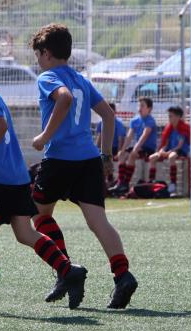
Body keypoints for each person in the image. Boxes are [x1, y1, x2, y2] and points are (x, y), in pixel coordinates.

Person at [0, 52, 87, 315]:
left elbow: (0, 127)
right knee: (24, 233)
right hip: (14, 177)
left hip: (0, 181)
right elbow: (1, 144)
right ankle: (68, 270)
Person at [30, 23, 138, 309]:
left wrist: (44, 136)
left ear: (47, 53)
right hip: (88, 159)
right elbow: (108, 115)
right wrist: (105, 156)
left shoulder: (48, 77)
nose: (38, 61)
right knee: (98, 222)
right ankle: (122, 275)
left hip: (60, 159)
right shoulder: (80, 79)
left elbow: (63, 99)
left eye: (38, 55)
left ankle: (65, 270)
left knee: (38, 215)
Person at [111, 97, 157, 193]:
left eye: (142, 106)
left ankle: (126, 183)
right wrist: (122, 150)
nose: (139, 108)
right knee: (122, 155)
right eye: (139, 105)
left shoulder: (150, 120)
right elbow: (129, 137)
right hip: (138, 147)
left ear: (149, 109)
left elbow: (144, 136)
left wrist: (135, 149)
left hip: (148, 148)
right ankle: (120, 182)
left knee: (132, 154)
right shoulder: (135, 120)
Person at [148, 105, 190, 194]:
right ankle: (151, 182)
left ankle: (173, 184)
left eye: (171, 116)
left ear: (178, 117)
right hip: (169, 151)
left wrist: (169, 152)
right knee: (152, 157)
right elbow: (165, 144)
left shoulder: (184, 127)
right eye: (169, 116)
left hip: (180, 151)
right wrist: (162, 151)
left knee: (172, 157)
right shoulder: (169, 128)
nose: (169, 118)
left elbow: (180, 145)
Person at [95, 102, 127, 187]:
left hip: (114, 148)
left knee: (107, 157)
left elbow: (121, 139)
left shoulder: (118, 123)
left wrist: (119, 151)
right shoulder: (101, 123)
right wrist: (95, 150)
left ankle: (111, 180)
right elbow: (99, 138)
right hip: (104, 147)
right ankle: (102, 181)